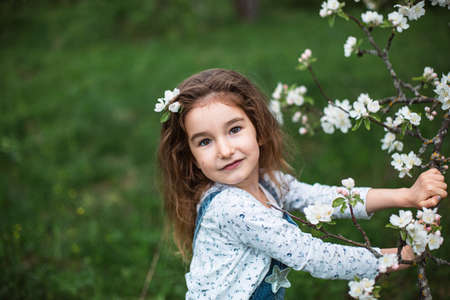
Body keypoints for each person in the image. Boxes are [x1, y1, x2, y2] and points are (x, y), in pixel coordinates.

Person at [156, 68, 447, 299]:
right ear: (191, 157)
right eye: (205, 141)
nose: (224, 150)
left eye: (234, 129)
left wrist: (406, 196)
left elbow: (324, 198)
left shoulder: (268, 182)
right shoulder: (232, 209)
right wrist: (398, 257)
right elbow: (314, 256)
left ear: (258, 129)